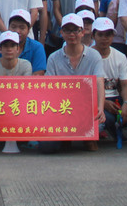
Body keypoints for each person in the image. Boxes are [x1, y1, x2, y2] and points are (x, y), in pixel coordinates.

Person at [40, 15, 107, 154]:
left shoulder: (94, 56)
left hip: (86, 109)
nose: (72, 34)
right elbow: (49, 89)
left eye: (76, 30)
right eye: (67, 30)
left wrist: (100, 107)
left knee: (100, 125)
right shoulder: (53, 58)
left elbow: (99, 81)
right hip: (61, 109)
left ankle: (87, 139)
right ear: (61, 33)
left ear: (83, 32)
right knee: (47, 147)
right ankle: (66, 139)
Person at [91, 18, 127, 143]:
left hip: (115, 98)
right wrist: (102, 102)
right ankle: (110, 128)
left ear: (113, 36)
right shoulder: (87, 55)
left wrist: (126, 104)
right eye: (100, 34)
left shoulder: (120, 57)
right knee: (107, 118)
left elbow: (125, 84)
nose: (104, 38)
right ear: (93, 35)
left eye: (108, 34)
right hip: (94, 101)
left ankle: (117, 128)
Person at [0, 9, 48, 75]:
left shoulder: (37, 47)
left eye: (22, 28)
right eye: (13, 27)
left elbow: (38, 75)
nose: (17, 31)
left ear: (28, 30)